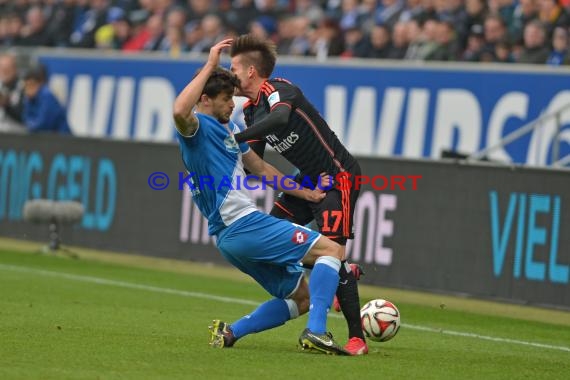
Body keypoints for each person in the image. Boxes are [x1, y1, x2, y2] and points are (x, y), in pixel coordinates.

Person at [172, 39, 349, 355]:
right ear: (205, 100)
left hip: (231, 239)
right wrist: (211, 64)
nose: (232, 104)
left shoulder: (228, 133)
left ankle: (230, 333)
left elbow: (263, 169)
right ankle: (318, 333)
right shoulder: (195, 130)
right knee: (332, 249)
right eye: (226, 99)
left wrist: (305, 191)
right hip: (242, 225)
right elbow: (179, 109)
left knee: (302, 298)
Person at [229, 34, 368, 355]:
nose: (230, 73)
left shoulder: (278, 88)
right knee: (274, 241)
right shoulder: (250, 110)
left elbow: (280, 118)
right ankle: (340, 273)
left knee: (333, 251)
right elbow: (256, 164)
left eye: (233, 67)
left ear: (251, 71)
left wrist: (237, 137)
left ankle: (357, 337)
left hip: (338, 177)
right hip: (307, 181)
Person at [22, 64, 72, 134]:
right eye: (26, 85)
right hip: (44, 140)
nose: (28, 89)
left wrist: (29, 126)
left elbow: (43, 124)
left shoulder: (47, 96)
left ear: (40, 84)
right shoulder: (28, 98)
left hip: (63, 140)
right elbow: (26, 119)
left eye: (32, 85)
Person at [0, 53, 26, 133]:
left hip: (17, 133)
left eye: (8, 69)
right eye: (2, 68)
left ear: (15, 69)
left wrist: (6, 105)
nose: (4, 72)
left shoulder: (24, 87)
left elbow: (24, 117)